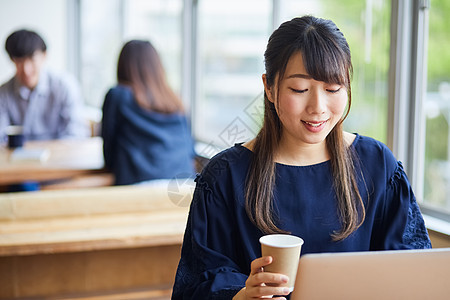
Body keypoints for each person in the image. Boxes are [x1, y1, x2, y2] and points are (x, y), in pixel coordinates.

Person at [172, 16, 432, 299]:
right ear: (269, 87)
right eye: (300, 90)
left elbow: (415, 266)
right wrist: (240, 295)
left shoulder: (378, 166)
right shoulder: (225, 175)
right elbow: (197, 283)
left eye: (333, 89)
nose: (318, 107)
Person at [101, 40, 195, 185]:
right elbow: (190, 150)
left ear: (123, 66)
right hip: (182, 187)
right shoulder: (176, 100)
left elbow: (109, 150)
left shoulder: (118, 96)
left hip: (138, 185)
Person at [0, 29, 89, 142]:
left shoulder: (64, 86)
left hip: (61, 156)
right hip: (16, 158)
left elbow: (76, 134)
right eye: (19, 61)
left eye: (32, 59)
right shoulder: (4, 92)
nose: (26, 70)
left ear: (44, 55)